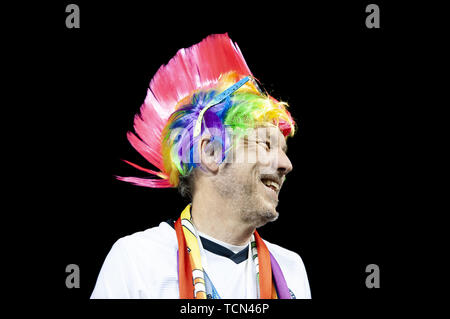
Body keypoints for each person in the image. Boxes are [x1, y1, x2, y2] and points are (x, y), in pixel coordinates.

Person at [91, 33, 311, 299]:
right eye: (265, 144)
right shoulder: (136, 261)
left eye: (283, 151)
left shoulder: (292, 270)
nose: (286, 165)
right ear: (211, 152)